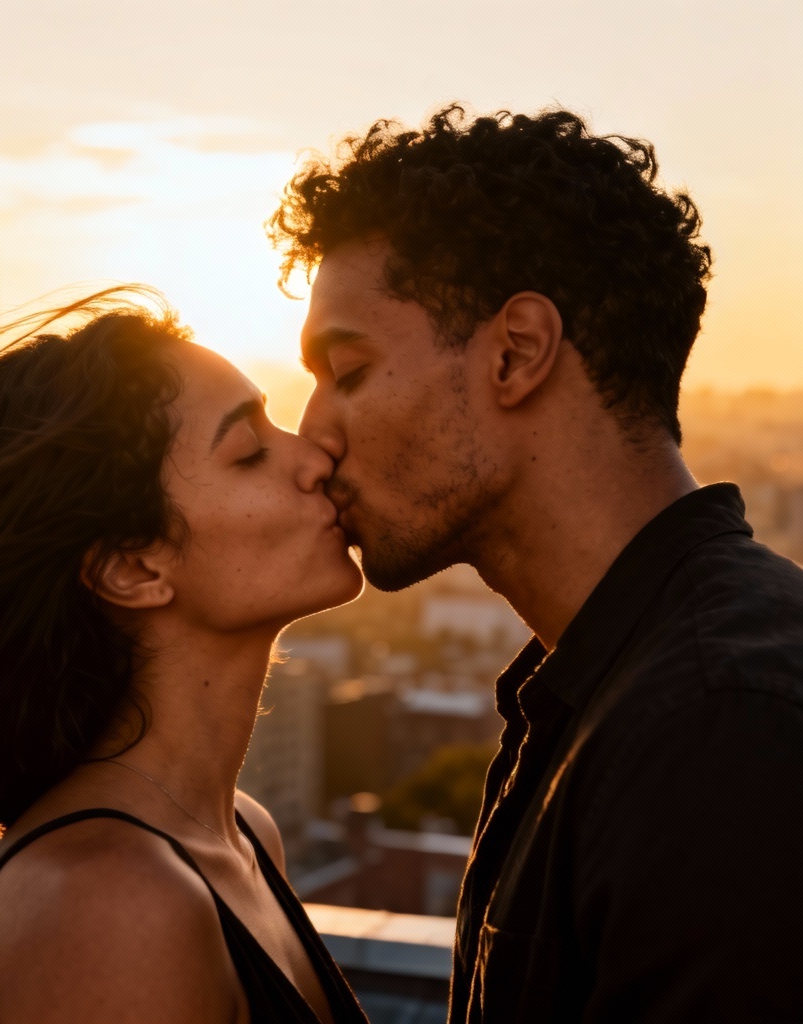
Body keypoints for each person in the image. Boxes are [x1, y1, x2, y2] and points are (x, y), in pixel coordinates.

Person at [269, 106, 803, 1022]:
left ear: (516, 353)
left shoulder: (721, 724)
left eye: (347, 371)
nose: (314, 433)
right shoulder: (619, 694)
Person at [0, 288, 370, 1024]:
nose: (315, 457)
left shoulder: (242, 835)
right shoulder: (106, 906)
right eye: (249, 452)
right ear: (133, 568)